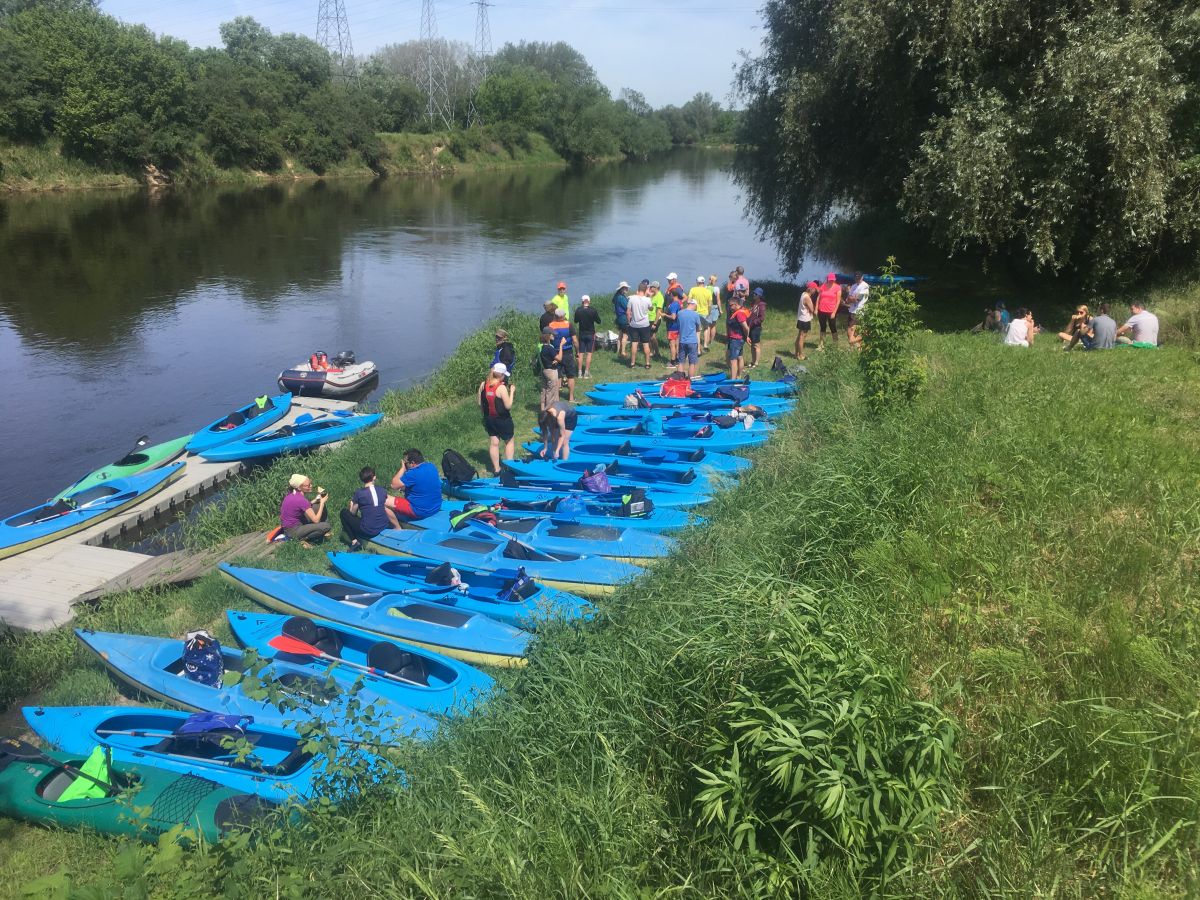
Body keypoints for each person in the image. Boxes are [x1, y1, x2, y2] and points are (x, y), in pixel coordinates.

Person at [340, 466, 398, 551]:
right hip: (384, 525)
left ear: (362, 479)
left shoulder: (359, 493)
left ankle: (354, 541)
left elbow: (353, 513)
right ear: (374, 477)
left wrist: (352, 504)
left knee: (344, 513)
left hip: (369, 530)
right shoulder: (382, 490)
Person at [479, 362, 516, 474]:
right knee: (509, 441)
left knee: (494, 442)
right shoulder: (501, 388)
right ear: (501, 375)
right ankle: (510, 467)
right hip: (503, 419)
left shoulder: (483, 385)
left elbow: (480, 403)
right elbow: (508, 406)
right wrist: (512, 392)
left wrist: (485, 416)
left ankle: (496, 469)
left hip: (489, 419)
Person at [388, 448, 443, 522]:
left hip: (419, 511)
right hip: (436, 507)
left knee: (384, 498)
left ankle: (395, 525)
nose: (405, 464)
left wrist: (402, 468)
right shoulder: (431, 466)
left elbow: (393, 485)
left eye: (406, 463)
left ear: (412, 463)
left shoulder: (412, 474)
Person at [280, 474, 330, 546]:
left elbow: (301, 506)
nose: (311, 486)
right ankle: (302, 539)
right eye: (308, 485)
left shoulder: (292, 494)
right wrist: (322, 503)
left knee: (316, 506)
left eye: (310, 483)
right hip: (293, 530)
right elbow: (316, 520)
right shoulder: (301, 500)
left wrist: (315, 500)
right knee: (326, 526)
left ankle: (319, 532)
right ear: (299, 488)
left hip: (288, 526)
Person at [547, 307, 578, 402]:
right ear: (564, 316)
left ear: (555, 316)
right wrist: (577, 351)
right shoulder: (569, 325)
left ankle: (556, 398)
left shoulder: (551, 325)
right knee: (570, 375)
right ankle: (571, 397)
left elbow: (548, 340)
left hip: (555, 353)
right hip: (568, 352)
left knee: (557, 375)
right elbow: (575, 340)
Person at [627, 280, 654, 369]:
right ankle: (647, 364)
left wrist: (629, 322)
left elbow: (628, 312)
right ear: (646, 289)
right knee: (646, 344)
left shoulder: (632, 299)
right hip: (645, 325)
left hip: (634, 324)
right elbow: (651, 308)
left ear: (638, 289)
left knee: (634, 343)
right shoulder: (648, 300)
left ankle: (632, 363)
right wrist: (649, 296)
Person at [574, 294, 601, 378]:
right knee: (589, 353)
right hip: (590, 334)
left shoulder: (578, 310)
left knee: (581, 353)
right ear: (589, 301)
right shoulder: (593, 310)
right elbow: (599, 321)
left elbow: (575, 321)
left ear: (582, 301)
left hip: (582, 334)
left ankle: (579, 373)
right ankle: (586, 373)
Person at [675, 297, 703, 378]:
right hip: (692, 341)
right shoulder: (695, 314)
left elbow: (679, 325)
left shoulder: (680, 313)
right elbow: (699, 328)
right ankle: (690, 381)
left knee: (681, 362)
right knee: (692, 363)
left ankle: (680, 380)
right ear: (693, 304)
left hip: (682, 341)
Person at [726, 294, 750, 378]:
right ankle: (738, 376)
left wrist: (747, 336)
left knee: (733, 360)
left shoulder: (739, 314)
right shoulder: (742, 310)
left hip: (736, 339)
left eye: (731, 305)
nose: (730, 307)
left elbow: (746, 327)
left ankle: (733, 380)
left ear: (736, 304)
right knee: (740, 357)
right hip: (739, 339)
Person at [816, 272, 842, 350]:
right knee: (822, 327)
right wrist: (816, 307)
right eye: (830, 280)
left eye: (832, 280)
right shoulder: (823, 286)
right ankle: (821, 345)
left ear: (834, 279)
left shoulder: (837, 287)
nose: (831, 281)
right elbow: (818, 297)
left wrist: (834, 312)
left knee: (833, 327)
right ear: (828, 279)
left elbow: (838, 301)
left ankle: (835, 345)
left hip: (831, 311)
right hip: (821, 310)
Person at [537, 329, 562, 411]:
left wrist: (552, 361)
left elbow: (545, 357)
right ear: (547, 336)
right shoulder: (549, 348)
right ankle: (549, 411)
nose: (553, 336)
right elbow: (559, 358)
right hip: (551, 372)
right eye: (552, 334)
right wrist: (561, 346)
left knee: (544, 390)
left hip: (544, 370)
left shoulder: (541, 347)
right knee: (551, 392)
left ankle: (542, 410)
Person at [688, 276, 713, 352]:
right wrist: (709, 313)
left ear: (697, 282)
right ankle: (705, 345)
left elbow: (689, 301)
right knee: (706, 328)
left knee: (697, 331)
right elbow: (709, 305)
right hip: (705, 313)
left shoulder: (693, 289)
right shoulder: (708, 291)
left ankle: (698, 350)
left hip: (695, 313)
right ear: (703, 282)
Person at [745, 287, 767, 368]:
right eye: (753, 293)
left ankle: (756, 363)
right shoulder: (753, 303)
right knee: (752, 345)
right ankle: (753, 361)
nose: (753, 295)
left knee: (756, 345)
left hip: (756, 327)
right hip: (750, 326)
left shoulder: (762, 305)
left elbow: (762, 318)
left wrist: (754, 322)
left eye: (755, 294)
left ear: (759, 296)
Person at [846, 273, 869, 348]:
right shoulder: (854, 286)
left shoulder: (865, 286)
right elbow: (848, 299)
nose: (857, 279)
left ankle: (856, 346)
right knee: (850, 332)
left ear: (862, 277)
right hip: (851, 310)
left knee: (854, 330)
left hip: (859, 311)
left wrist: (853, 298)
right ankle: (856, 348)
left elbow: (858, 299)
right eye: (856, 278)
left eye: (859, 278)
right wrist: (852, 298)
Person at [795, 280, 816, 359]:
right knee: (802, 337)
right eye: (814, 289)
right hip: (805, 320)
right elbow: (812, 309)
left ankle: (796, 354)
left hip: (801, 318)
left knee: (799, 336)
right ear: (811, 289)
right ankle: (801, 355)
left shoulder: (803, 294)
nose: (815, 291)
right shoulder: (807, 298)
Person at [663, 287, 683, 366]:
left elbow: (673, 317)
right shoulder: (678, 303)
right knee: (677, 344)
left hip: (672, 327)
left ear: (672, 295)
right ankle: (678, 360)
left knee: (672, 345)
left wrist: (665, 315)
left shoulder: (674, 304)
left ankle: (673, 361)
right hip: (678, 327)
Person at [612, 281, 631, 360]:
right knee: (625, 336)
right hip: (623, 318)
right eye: (625, 288)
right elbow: (627, 307)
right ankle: (623, 352)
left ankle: (618, 351)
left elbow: (614, 302)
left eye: (627, 288)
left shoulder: (616, 296)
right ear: (621, 289)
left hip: (619, 318)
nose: (627, 289)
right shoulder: (621, 297)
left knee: (620, 334)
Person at [705, 275, 723, 352]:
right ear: (715, 281)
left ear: (709, 280)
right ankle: (711, 341)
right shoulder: (716, 288)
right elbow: (718, 300)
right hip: (715, 307)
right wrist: (720, 309)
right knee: (713, 325)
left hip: (707, 307)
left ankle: (706, 341)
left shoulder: (705, 288)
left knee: (708, 325)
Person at [648, 281, 666, 358]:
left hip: (655, 319)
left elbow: (659, 312)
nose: (650, 288)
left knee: (652, 337)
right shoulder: (652, 295)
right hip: (648, 318)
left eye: (651, 287)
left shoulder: (660, 297)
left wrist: (655, 323)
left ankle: (657, 352)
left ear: (656, 288)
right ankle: (651, 351)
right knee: (648, 336)